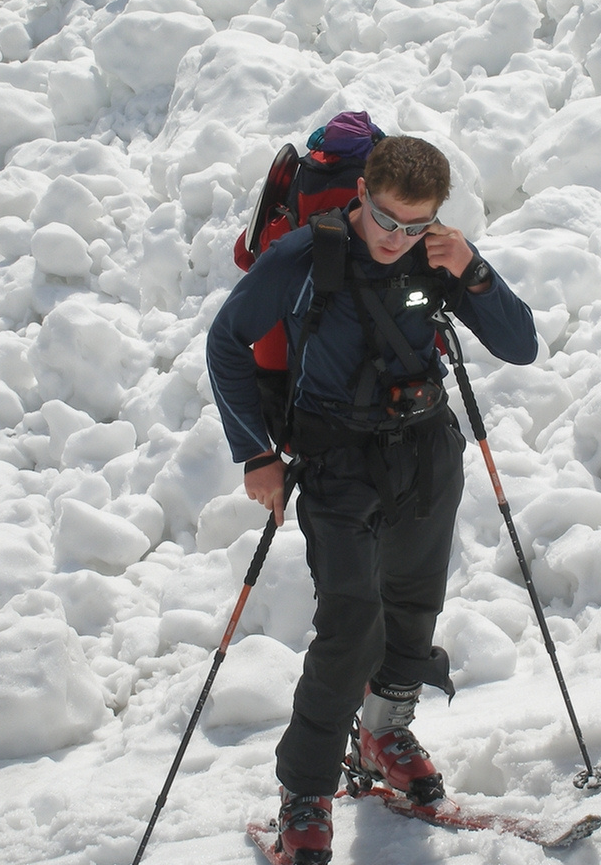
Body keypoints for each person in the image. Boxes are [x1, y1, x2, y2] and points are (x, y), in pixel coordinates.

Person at [207, 135, 537, 864]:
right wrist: (255, 454)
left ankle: (384, 733)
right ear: (361, 194)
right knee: (351, 625)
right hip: (336, 461)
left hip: (425, 452)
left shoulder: (439, 253)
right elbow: (227, 341)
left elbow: (520, 346)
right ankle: (305, 795)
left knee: (414, 605)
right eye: (387, 219)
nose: (398, 239)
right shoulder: (304, 256)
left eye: (416, 225)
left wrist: (473, 271)